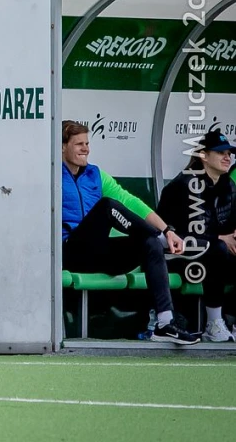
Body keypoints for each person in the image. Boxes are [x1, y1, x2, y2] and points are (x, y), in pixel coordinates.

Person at [61, 120, 200, 344]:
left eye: (87, 143)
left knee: (149, 243)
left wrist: (167, 230)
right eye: (79, 144)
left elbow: (130, 202)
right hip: (69, 252)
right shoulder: (50, 174)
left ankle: (164, 323)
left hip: (97, 252)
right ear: (61, 147)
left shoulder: (95, 174)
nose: (86, 149)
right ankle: (159, 238)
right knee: (107, 206)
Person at [157, 126, 236, 343]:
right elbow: (180, 234)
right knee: (218, 249)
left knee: (222, 249)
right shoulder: (184, 185)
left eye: (229, 153)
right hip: (176, 255)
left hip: (212, 252)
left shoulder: (228, 185)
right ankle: (214, 323)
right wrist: (220, 239)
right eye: (220, 152)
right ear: (203, 156)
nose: (227, 157)